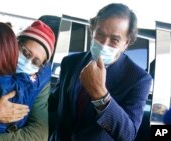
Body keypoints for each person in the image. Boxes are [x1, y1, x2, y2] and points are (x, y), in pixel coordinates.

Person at [49, 3, 152, 141]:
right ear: (92, 30)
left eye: (114, 40)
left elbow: (127, 135)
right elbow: (54, 102)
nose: (104, 44)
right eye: (100, 34)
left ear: (126, 43)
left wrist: (100, 95)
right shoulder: (70, 62)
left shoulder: (139, 79)